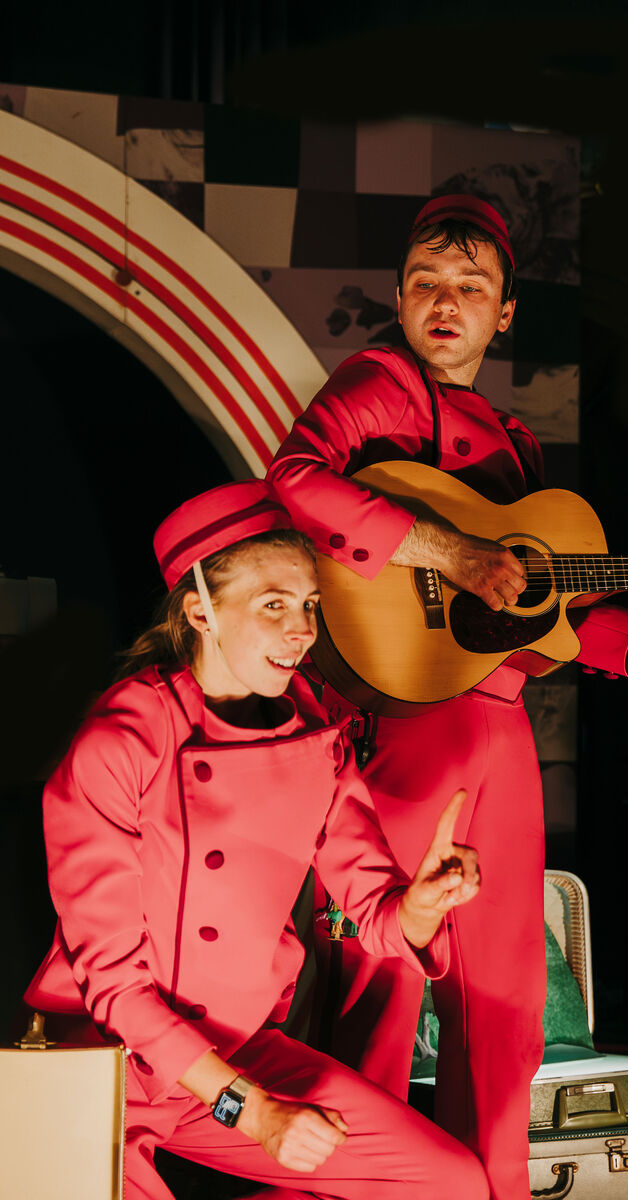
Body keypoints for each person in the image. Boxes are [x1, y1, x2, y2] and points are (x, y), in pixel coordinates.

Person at [267, 193, 628, 1200]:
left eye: (470, 289)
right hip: (401, 731)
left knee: (504, 1012)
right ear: (397, 296)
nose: (444, 303)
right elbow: (296, 479)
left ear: (503, 314)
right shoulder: (379, 384)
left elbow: (532, 630)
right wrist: (448, 549)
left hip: (499, 737)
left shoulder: (512, 444)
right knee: (378, 997)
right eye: (425, 283)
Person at [23, 480, 490, 1200]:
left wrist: (423, 904)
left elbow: (374, 909)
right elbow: (114, 986)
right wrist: (254, 1110)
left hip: (241, 1051)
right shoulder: (121, 742)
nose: (302, 628)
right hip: (107, 1068)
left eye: (307, 605)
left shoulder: (315, 735)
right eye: (273, 604)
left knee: (447, 1184)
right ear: (198, 611)